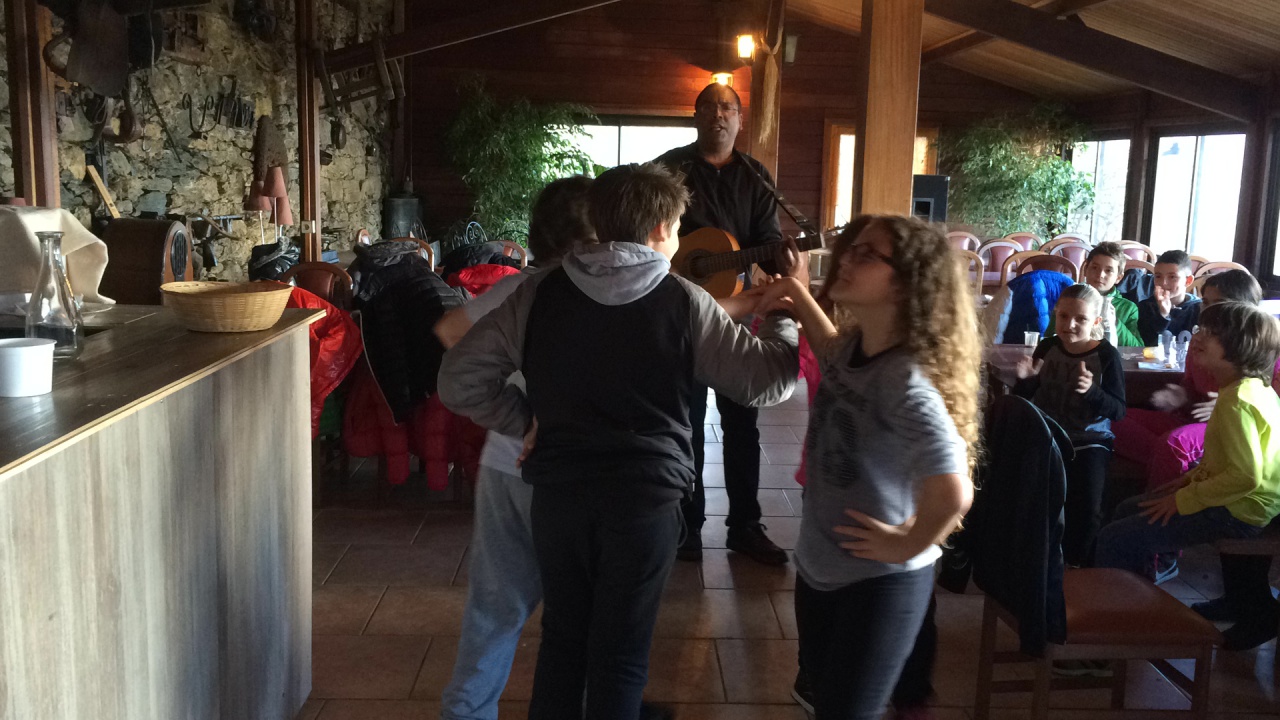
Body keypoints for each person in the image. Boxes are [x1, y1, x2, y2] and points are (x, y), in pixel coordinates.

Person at [437, 162, 799, 720]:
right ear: (659, 229)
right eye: (677, 228)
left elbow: (459, 381)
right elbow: (767, 383)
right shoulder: (684, 300)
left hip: (558, 497)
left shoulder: (538, 293)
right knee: (620, 657)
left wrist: (526, 421)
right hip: (644, 501)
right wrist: (782, 317)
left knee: (563, 641)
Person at [754, 215, 979, 720]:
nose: (848, 259)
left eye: (867, 254)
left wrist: (907, 544)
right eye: (851, 249)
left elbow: (953, 490)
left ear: (905, 284)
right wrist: (795, 291)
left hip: (880, 583)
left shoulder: (904, 380)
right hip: (820, 568)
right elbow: (828, 346)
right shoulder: (856, 349)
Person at [433, 176, 594, 720]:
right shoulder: (586, 292)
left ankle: (466, 712)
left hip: (502, 461)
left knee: (494, 607)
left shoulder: (516, 289)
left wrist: (513, 391)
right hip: (562, 473)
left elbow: (451, 329)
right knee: (583, 611)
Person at [654, 82, 790, 565]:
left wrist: (783, 260)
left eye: (728, 107)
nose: (719, 114)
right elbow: (651, 233)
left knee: (742, 421)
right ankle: (686, 525)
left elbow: (768, 242)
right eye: (710, 106)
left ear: (739, 119)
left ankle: (745, 526)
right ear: (695, 116)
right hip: (681, 310)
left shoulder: (755, 176)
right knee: (685, 420)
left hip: (736, 313)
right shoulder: (670, 169)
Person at [1096, 301, 1280, 650]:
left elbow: (1246, 476)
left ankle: (1112, 639)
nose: (1198, 336)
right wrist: (1189, 480)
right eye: (1200, 329)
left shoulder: (1237, 402)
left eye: (1211, 333)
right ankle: (1139, 610)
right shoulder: (1252, 388)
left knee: (1116, 539)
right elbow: (1226, 462)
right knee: (1126, 510)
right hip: (1238, 502)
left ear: (1240, 347)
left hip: (1237, 511)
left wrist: (1184, 499)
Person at [1113, 270, 1271, 490]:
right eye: (1205, 302)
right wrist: (1182, 396)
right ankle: (1176, 467)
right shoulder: (1201, 341)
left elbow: (1268, 409)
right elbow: (1191, 393)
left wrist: (1226, 406)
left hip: (1230, 430)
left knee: (1174, 443)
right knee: (1113, 418)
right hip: (1189, 421)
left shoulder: (1264, 351)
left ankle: (1165, 494)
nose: (1208, 310)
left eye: (1219, 303)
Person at [1015, 284, 1127, 567]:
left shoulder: (1107, 355)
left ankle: (1080, 564)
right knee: (1031, 496)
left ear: (1095, 321)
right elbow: (1024, 399)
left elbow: (1118, 410)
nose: (1070, 325)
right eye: (1063, 316)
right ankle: (1038, 557)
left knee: (1089, 506)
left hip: (1090, 440)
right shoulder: (1048, 347)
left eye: (1081, 319)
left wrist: (1092, 392)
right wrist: (1026, 380)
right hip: (1048, 435)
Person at [1050, 241, 1141, 347]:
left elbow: (1137, 347)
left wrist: (1115, 322)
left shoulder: (1128, 308)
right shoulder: (1069, 298)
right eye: (1095, 267)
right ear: (1085, 269)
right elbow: (1049, 336)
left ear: (1118, 277)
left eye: (1108, 270)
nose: (1100, 274)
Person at [1138, 250, 1202, 346]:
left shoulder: (1199, 308)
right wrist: (1163, 315)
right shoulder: (1145, 307)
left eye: (1172, 277)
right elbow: (1146, 345)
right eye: (1158, 276)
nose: (1163, 283)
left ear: (1188, 281)